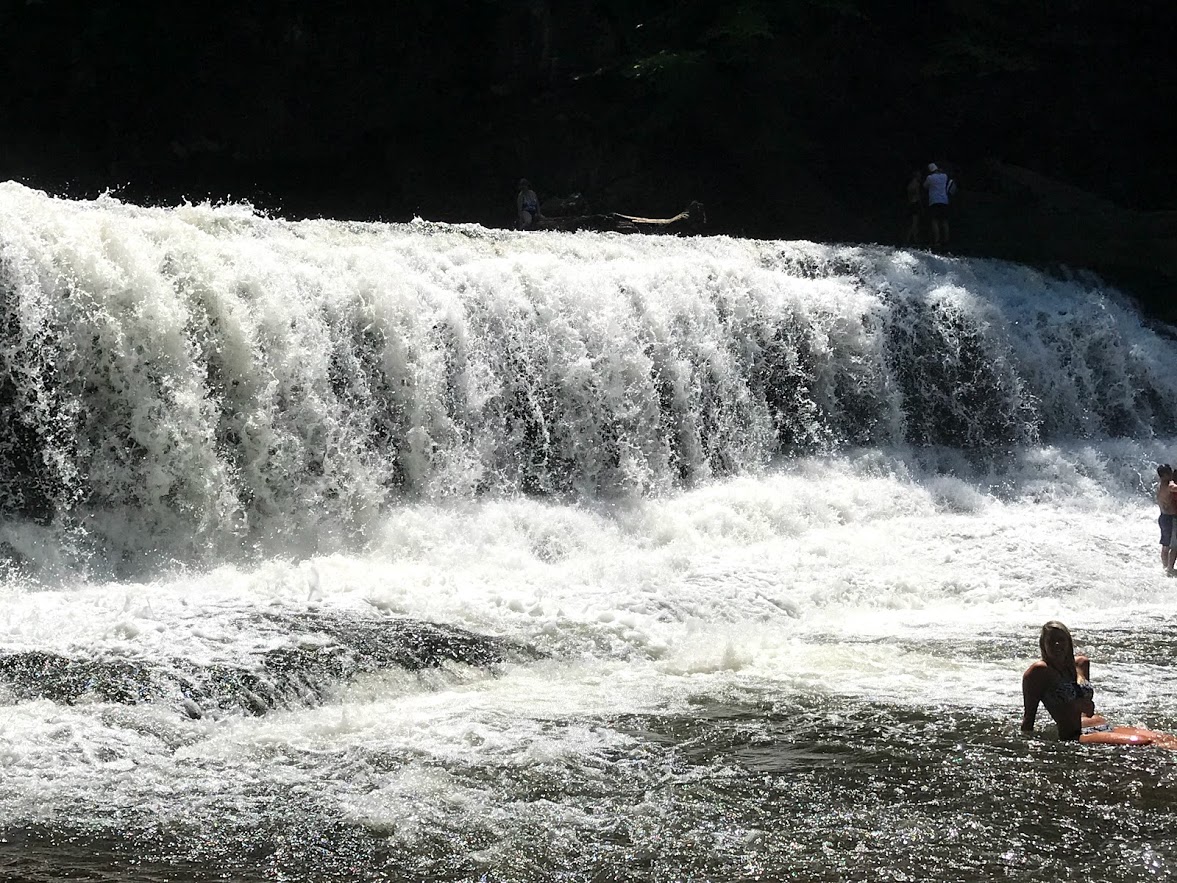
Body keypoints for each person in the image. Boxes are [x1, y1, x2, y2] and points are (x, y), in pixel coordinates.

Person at [1021, 621, 1177, 747]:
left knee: (1165, 738)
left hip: (1098, 725)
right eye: (1051, 641)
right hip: (1074, 734)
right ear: (1043, 645)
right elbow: (1029, 719)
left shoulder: (1080, 664)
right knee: (1146, 743)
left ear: (1069, 642)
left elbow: (1085, 708)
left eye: (1060, 640)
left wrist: (1082, 706)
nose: (1057, 645)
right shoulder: (1038, 672)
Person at [921, 162, 955, 249]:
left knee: (935, 221)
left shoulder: (930, 178)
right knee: (944, 221)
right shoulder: (944, 176)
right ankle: (946, 240)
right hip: (944, 201)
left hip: (934, 201)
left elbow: (925, 186)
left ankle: (937, 241)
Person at [1157, 464, 1177, 575]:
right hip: (1169, 518)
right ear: (1164, 475)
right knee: (1172, 545)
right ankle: (1169, 568)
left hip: (1163, 517)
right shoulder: (1169, 485)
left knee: (1165, 545)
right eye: (1169, 472)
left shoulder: (1159, 485)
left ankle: (1165, 567)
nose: (1171, 474)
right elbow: (1174, 487)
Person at [905, 169, 924, 244]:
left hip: (911, 203)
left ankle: (910, 238)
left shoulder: (910, 185)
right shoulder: (916, 184)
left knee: (912, 223)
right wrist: (921, 206)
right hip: (915, 204)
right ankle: (913, 239)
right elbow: (918, 196)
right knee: (915, 223)